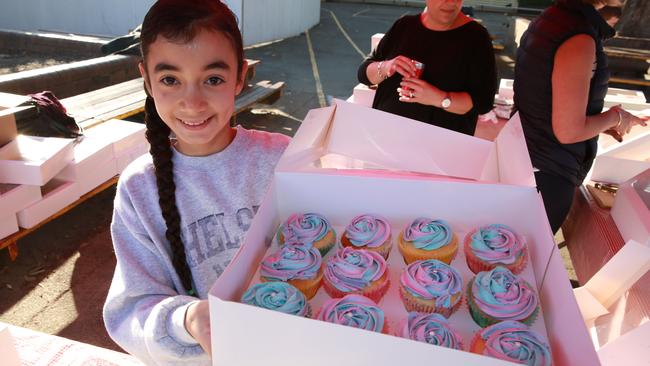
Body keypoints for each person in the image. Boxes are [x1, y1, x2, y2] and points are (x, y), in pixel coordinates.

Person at [102, 1, 290, 364]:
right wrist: (187, 319)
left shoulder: (283, 159)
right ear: (147, 79)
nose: (193, 102)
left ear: (240, 77)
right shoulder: (138, 189)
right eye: (170, 79)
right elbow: (133, 310)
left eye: (213, 79)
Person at [514, 0, 647, 234]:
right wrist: (616, 117)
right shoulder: (578, 37)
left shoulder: (552, 17)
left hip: (524, 161)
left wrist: (600, 122)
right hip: (545, 174)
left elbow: (544, 103)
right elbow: (568, 131)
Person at [357, 0, 497, 136]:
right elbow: (364, 74)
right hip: (386, 137)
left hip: (438, 150)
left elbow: (483, 102)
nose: (451, 2)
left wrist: (440, 98)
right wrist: (386, 66)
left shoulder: (476, 37)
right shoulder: (404, 25)